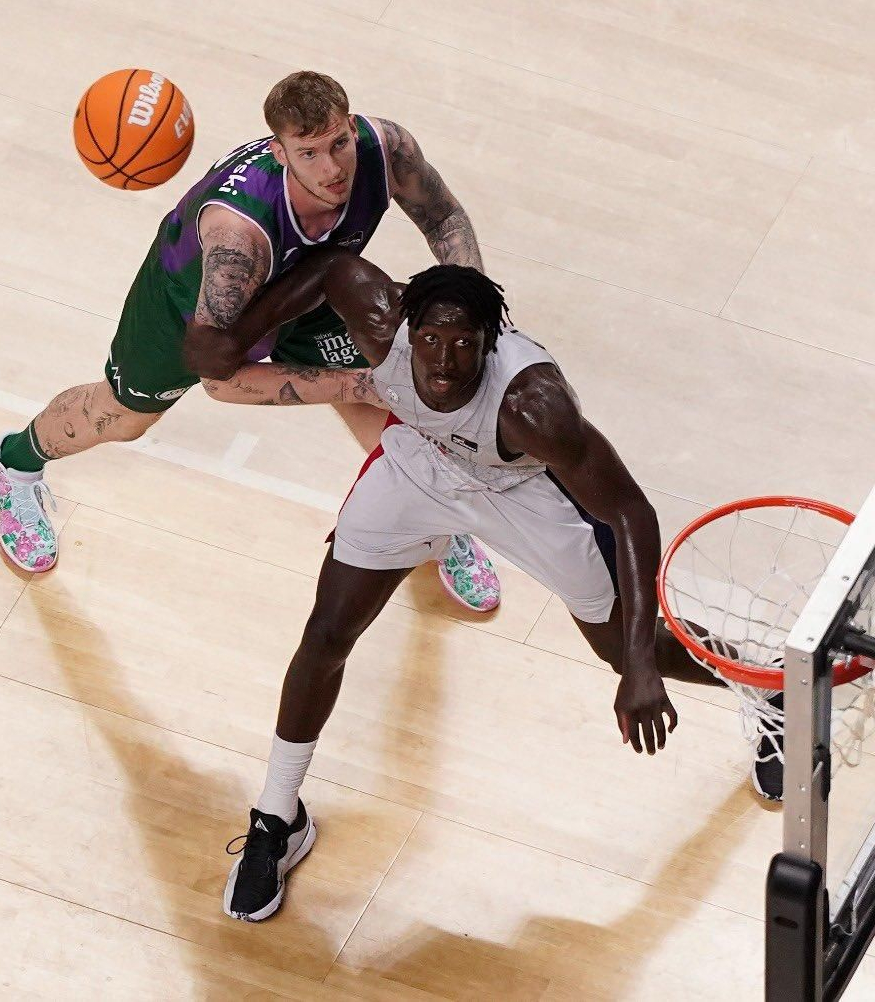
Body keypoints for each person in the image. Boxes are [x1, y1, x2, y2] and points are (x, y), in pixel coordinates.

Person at [213, 253, 784, 923]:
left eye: (465, 344)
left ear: (490, 342)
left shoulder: (531, 407)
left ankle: (769, 688)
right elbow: (329, 270)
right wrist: (239, 333)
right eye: (431, 339)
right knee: (327, 632)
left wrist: (637, 668)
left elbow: (632, 512)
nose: (444, 360)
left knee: (627, 650)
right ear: (407, 328)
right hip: (421, 465)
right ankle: (278, 816)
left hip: (523, 491)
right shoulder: (380, 322)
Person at [0, 71, 503, 612]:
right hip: (193, 310)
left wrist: (474, 307)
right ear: (279, 153)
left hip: (313, 286)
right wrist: (356, 383)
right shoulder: (237, 240)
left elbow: (444, 217)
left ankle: (435, 522)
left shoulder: (387, 150)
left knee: (392, 403)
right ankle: (14, 464)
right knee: (122, 418)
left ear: (352, 127)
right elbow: (222, 380)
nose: (331, 169)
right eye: (308, 154)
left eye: (338, 144)